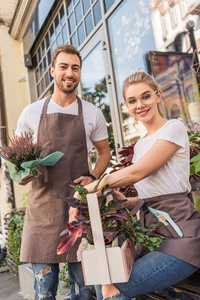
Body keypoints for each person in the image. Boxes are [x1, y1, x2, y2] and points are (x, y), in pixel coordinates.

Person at [72, 71, 200, 300]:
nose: (140, 104)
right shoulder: (140, 146)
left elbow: (138, 172)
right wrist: (128, 201)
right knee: (103, 285)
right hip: (152, 237)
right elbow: (154, 194)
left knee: (113, 290)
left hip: (181, 238)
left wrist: (96, 185)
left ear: (158, 96)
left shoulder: (173, 128)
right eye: (132, 101)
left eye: (145, 96)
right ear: (126, 105)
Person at [15, 44, 110, 300]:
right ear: (52, 71)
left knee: (85, 290)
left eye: (75, 68)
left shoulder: (92, 113)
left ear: (79, 73)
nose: (70, 73)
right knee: (44, 291)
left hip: (79, 210)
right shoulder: (30, 113)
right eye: (64, 67)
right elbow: (17, 163)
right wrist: (25, 174)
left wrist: (92, 177)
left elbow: (105, 153)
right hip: (42, 210)